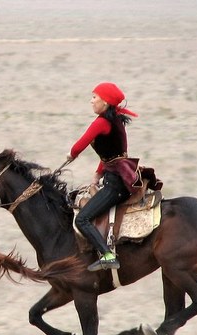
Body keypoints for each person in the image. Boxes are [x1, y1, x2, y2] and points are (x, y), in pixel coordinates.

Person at [67, 82, 140, 272]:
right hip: (117, 177)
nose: (91, 101)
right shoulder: (116, 120)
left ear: (105, 102)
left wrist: (71, 155)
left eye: (94, 97)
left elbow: (79, 145)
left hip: (115, 184)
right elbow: (116, 154)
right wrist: (98, 172)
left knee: (82, 219)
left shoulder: (101, 122)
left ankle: (107, 255)